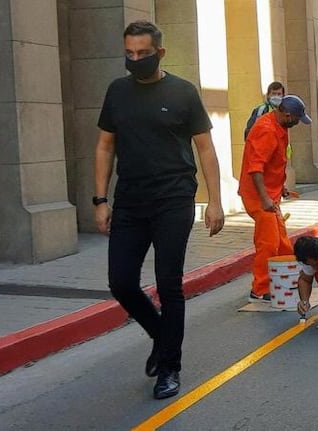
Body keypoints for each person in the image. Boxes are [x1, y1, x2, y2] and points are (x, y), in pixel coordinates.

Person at [94, 20, 225, 400]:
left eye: (143, 54)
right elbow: (105, 145)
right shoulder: (117, 91)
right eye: (129, 54)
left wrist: (214, 201)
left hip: (173, 198)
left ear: (160, 53)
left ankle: (170, 367)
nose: (135, 60)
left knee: (169, 284)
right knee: (121, 282)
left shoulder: (183, 92)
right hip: (131, 200)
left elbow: (205, 149)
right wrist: (100, 199)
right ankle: (160, 334)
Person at [238, 95, 311, 301]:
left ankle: (285, 279)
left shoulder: (280, 127)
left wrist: (281, 187)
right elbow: (256, 169)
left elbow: (275, 163)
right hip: (259, 197)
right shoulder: (267, 131)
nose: (298, 123)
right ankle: (260, 289)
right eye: (297, 119)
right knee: (268, 243)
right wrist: (265, 199)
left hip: (270, 194)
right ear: (287, 115)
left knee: (281, 241)